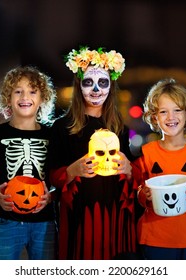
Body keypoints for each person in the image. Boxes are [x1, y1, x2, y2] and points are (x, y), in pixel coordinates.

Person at [49, 46, 138, 260]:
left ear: (111, 86)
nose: (96, 89)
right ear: (79, 85)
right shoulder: (63, 127)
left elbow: (131, 171)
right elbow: (49, 173)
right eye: (89, 82)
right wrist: (71, 170)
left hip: (113, 210)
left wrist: (129, 169)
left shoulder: (119, 127)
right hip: (78, 211)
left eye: (103, 82)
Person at [0, 65, 58, 260]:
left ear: (42, 99)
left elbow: (62, 179)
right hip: (6, 222)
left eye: (32, 91)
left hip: (44, 223)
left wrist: (51, 196)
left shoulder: (52, 135)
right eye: (17, 91)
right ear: (8, 99)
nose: (24, 97)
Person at [134, 78, 186, 260]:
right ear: (154, 117)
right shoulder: (147, 153)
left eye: (177, 110)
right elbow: (137, 191)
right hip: (154, 237)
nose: (171, 117)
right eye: (163, 112)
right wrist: (144, 195)